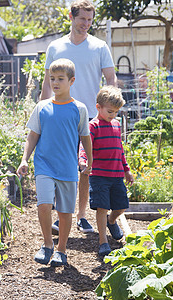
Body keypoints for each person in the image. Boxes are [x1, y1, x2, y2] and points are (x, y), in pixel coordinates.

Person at [40, 0, 117, 234]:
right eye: (82, 19)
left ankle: (82, 216)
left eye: (90, 20)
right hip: (59, 116)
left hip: (91, 118)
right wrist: (42, 111)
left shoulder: (100, 47)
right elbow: (47, 82)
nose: (86, 24)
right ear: (72, 18)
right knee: (57, 166)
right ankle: (59, 216)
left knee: (85, 168)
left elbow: (111, 80)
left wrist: (110, 112)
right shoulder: (55, 46)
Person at [17, 58, 93, 266]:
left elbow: (85, 137)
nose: (55, 83)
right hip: (44, 165)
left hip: (68, 167)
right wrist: (25, 159)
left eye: (60, 79)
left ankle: (61, 250)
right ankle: (48, 244)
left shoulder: (79, 109)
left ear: (72, 81)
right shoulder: (41, 107)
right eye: (52, 78)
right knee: (43, 205)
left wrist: (89, 160)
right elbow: (32, 136)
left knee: (65, 212)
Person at [78, 86, 134, 256]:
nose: (113, 115)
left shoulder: (116, 125)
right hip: (99, 175)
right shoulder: (93, 126)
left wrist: (127, 170)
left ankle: (112, 220)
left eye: (116, 112)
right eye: (110, 111)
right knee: (102, 207)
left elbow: (120, 150)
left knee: (121, 207)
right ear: (98, 107)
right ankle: (103, 241)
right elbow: (84, 146)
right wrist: (83, 161)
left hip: (116, 174)